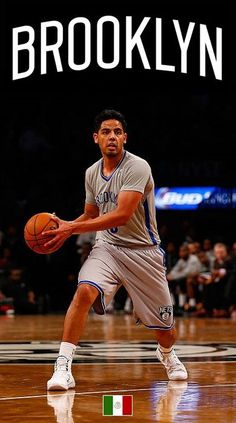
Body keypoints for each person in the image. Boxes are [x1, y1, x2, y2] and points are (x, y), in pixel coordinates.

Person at [44, 109, 188, 391]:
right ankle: (63, 365)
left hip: (143, 251)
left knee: (166, 331)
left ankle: (167, 354)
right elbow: (90, 213)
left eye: (118, 132)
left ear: (125, 138)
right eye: (107, 132)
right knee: (84, 291)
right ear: (95, 138)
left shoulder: (138, 167)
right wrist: (67, 224)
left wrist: (71, 230)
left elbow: (122, 215)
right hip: (107, 247)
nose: (112, 137)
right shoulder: (91, 173)